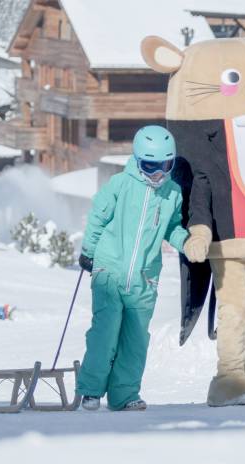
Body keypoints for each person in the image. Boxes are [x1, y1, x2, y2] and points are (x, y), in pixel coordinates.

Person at [75, 125, 191, 411]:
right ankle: (91, 390)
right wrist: (89, 252)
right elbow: (98, 218)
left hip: (144, 279)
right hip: (109, 271)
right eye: (151, 166)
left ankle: (124, 395)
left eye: (165, 166)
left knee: (135, 341)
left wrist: (186, 242)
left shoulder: (172, 193)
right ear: (138, 161)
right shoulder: (120, 184)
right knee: (105, 331)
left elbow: (172, 227)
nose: (158, 174)